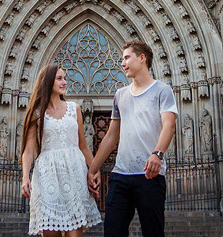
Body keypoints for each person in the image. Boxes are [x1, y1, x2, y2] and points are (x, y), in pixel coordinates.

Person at [87, 41, 178, 237]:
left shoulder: (162, 90)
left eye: (127, 57)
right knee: (112, 232)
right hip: (120, 176)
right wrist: (92, 169)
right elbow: (111, 136)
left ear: (142, 58)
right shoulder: (120, 95)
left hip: (150, 175)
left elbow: (169, 125)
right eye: (122, 59)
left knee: (153, 233)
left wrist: (157, 154)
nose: (122, 63)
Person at [21, 65, 102, 236]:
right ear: (48, 81)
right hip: (47, 176)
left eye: (65, 78)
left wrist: (94, 170)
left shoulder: (75, 109)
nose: (64, 82)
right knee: (51, 233)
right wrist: (25, 177)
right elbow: (28, 151)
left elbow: (84, 146)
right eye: (59, 78)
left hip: (74, 174)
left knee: (75, 233)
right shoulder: (36, 114)